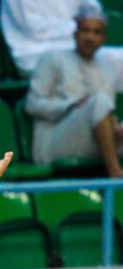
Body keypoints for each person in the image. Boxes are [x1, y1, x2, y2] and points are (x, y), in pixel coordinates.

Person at [25, 13, 123, 175]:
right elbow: (32, 104)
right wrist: (70, 105)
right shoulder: (53, 59)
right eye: (85, 31)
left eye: (96, 32)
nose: (90, 37)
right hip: (54, 140)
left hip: (93, 139)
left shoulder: (107, 69)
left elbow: (105, 114)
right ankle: (115, 173)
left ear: (103, 39)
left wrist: (117, 128)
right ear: (76, 34)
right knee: (100, 101)